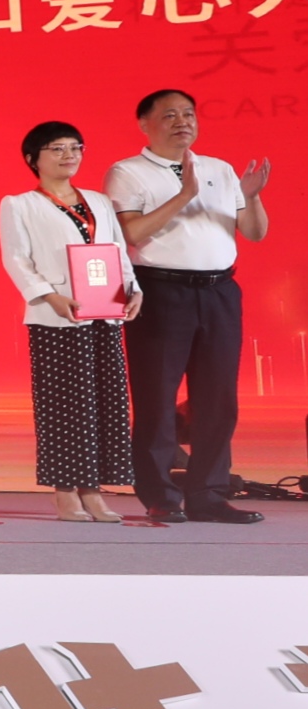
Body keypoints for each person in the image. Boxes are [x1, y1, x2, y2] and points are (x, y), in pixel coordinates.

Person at [104, 89, 273, 524]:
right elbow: (131, 234)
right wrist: (184, 195)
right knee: (157, 397)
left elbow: (254, 233)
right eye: (170, 115)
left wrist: (252, 197)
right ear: (144, 124)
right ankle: (161, 495)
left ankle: (209, 494)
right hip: (162, 292)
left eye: (189, 114)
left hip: (219, 292)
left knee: (217, 399)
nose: (183, 122)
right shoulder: (127, 172)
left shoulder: (220, 168)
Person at [0, 122, 144, 521]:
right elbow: (16, 259)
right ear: (33, 158)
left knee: (106, 403)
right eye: (57, 148)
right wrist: (49, 295)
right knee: (64, 407)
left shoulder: (99, 201)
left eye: (75, 147)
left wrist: (133, 289)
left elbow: (117, 251)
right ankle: (65, 492)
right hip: (57, 318)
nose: (69, 155)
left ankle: (93, 491)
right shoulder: (20, 204)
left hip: (105, 314)